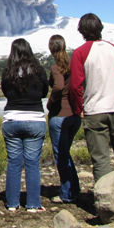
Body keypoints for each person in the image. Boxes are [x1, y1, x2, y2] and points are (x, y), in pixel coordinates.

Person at [70, 13, 114, 182]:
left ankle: (105, 200)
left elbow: (76, 85)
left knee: (100, 159)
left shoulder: (80, 53)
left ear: (82, 31)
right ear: (100, 28)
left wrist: (79, 109)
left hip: (94, 111)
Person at [0, 38, 49, 212]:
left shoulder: (7, 72)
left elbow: (6, 92)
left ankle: (12, 203)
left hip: (12, 119)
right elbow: (44, 92)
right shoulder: (39, 71)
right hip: (35, 119)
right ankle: (33, 204)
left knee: (13, 162)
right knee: (32, 163)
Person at [46, 35, 81, 204]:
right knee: (66, 153)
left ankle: (67, 193)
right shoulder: (73, 65)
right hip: (74, 115)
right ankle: (75, 188)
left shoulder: (55, 67)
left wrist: (51, 102)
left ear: (51, 48)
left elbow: (58, 86)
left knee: (61, 155)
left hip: (59, 116)